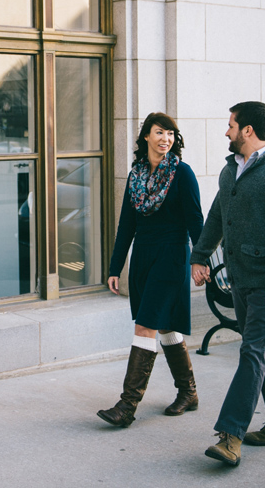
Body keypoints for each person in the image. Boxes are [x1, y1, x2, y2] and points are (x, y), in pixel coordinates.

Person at [190, 101, 265, 467]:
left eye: (231, 125)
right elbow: (216, 216)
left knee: (252, 352)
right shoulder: (232, 170)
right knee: (264, 350)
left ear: (247, 130)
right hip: (239, 278)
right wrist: (199, 256)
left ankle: (231, 436)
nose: (226, 132)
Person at [97, 112, 203, 428]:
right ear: (146, 137)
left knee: (145, 326)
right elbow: (126, 225)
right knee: (166, 326)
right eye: (159, 132)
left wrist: (201, 259)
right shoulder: (137, 176)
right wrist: (116, 267)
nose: (165, 139)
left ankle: (127, 406)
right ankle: (189, 392)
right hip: (143, 257)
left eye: (170, 134)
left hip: (171, 258)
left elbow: (196, 220)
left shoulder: (183, 174)